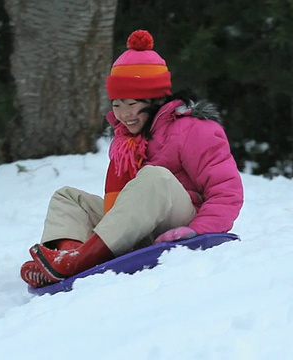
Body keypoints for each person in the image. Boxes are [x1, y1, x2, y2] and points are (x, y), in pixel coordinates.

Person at [20, 29, 244, 288]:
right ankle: (66, 255)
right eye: (117, 104)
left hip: (181, 222)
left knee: (155, 176)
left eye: (132, 103)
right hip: (139, 224)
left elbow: (226, 192)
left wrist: (198, 230)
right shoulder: (125, 140)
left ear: (156, 98)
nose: (124, 114)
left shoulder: (195, 129)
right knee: (68, 197)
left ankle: (80, 260)